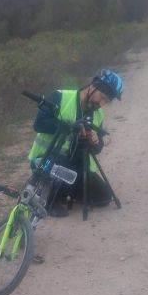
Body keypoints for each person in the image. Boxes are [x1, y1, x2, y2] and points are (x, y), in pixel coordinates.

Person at [27, 69, 123, 217]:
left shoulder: (98, 114)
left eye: (106, 101)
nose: (101, 103)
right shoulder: (61, 96)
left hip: (76, 167)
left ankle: (67, 190)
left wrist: (95, 142)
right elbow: (39, 124)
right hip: (45, 162)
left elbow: (98, 149)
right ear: (93, 86)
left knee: (103, 197)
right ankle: (50, 197)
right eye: (102, 97)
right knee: (61, 173)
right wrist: (72, 128)